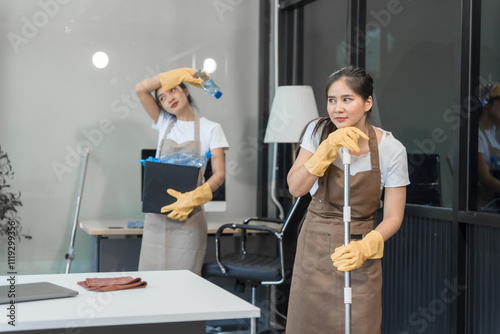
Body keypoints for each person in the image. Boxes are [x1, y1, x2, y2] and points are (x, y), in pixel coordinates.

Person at [285, 66, 409, 333]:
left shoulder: (391, 149)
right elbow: (296, 188)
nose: (337, 108)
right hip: (315, 251)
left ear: (367, 103)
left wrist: (367, 246)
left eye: (347, 99)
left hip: (360, 252)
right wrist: (325, 151)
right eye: (332, 100)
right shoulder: (318, 133)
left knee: (360, 324)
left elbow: (394, 216)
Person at [135, 67, 229, 275]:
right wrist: (178, 74)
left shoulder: (211, 128)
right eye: (162, 97)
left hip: (189, 219)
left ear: (186, 91)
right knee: (151, 285)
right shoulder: (164, 123)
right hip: (157, 220)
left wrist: (196, 197)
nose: (169, 98)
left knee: (184, 285)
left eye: (173, 90)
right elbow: (141, 89)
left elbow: (219, 174)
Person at [477, 83, 500, 211]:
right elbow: (484, 177)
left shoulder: (491, 134)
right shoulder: (477, 135)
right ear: (487, 104)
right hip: (483, 207)